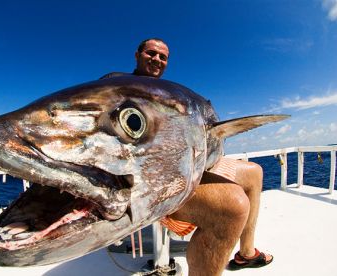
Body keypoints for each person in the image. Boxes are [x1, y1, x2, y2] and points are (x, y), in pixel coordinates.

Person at [103, 38, 273, 276]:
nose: (157, 59)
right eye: (151, 53)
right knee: (233, 206)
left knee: (255, 172)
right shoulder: (115, 83)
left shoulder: (175, 96)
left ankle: (247, 253)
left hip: (192, 167)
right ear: (137, 55)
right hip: (155, 185)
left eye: (163, 57)